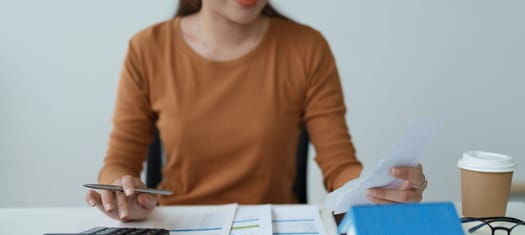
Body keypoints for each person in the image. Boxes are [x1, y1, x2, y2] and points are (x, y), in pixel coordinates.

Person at [86, 0, 427, 221]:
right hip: (178, 233)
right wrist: (120, 191)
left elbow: (339, 166)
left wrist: (380, 189)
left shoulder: (307, 48)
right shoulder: (148, 49)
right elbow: (120, 161)